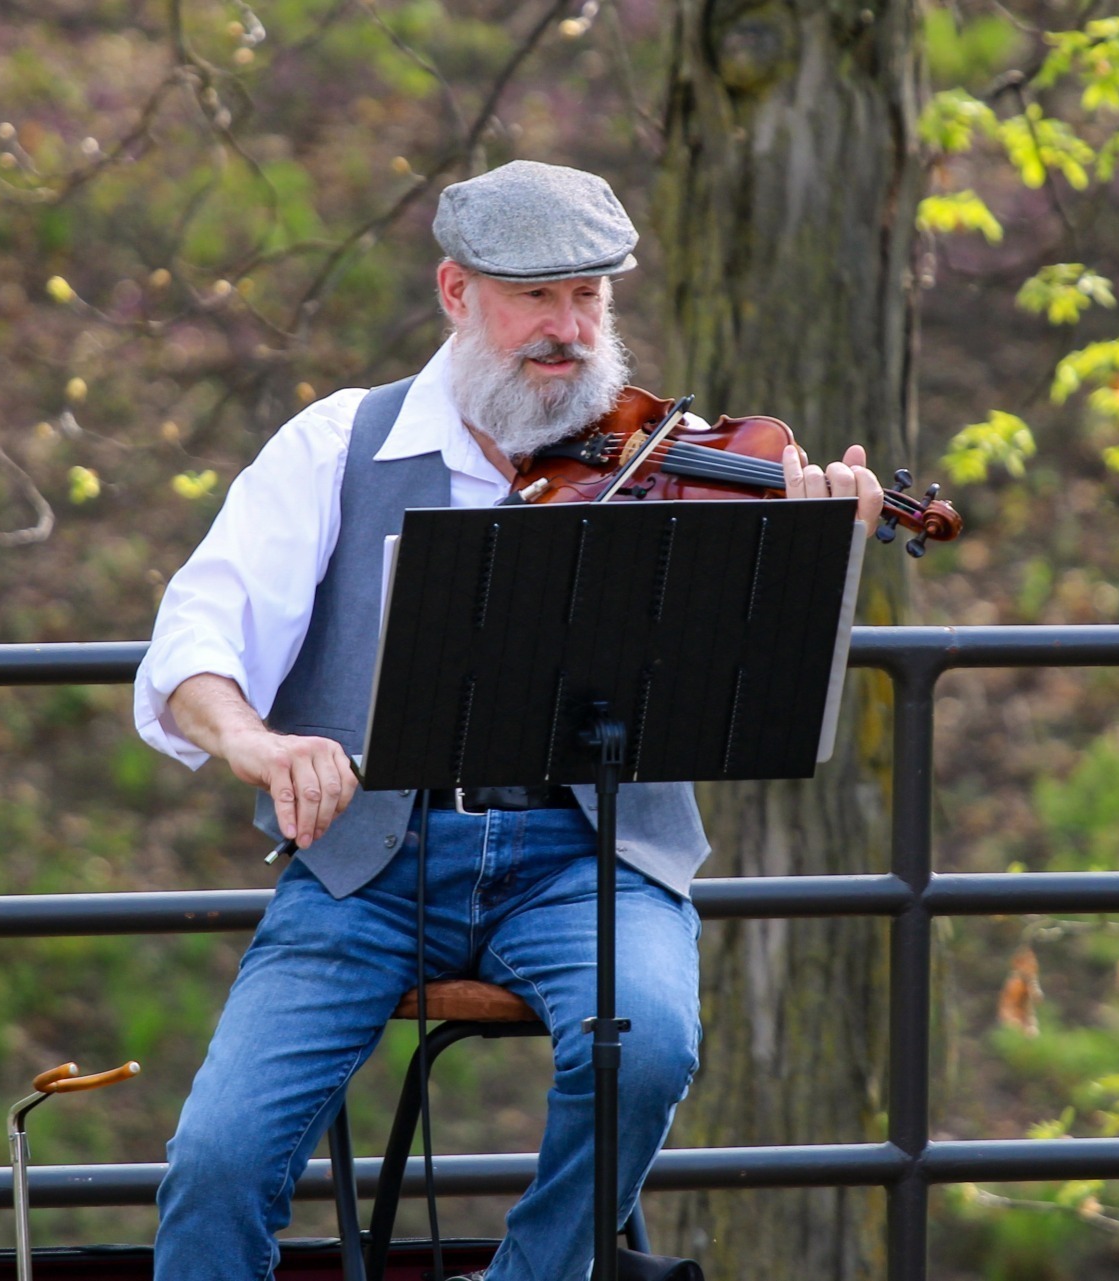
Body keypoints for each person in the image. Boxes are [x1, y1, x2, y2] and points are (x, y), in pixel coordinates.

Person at [133, 159, 885, 1281]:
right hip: (369, 867)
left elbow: (739, 683)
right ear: (455, 291)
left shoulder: (665, 467)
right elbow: (194, 643)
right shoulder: (340, 445)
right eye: (536, 296)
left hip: (586, 858)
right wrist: (259, 741)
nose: (569, 328)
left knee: (648, 1048)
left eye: (590, 296)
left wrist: (813, 556)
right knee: (219, 1158)